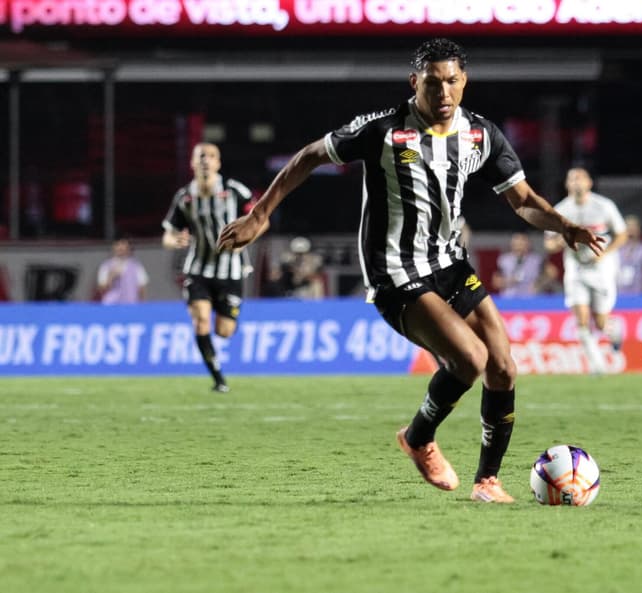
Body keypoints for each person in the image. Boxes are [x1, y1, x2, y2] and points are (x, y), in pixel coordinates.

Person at [216, 38, 604, 503]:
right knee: (470, 360)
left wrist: (564, 225)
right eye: (433, 82)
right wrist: (260, 215)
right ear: (414, 82)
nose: (443, 92)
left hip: (449, 263)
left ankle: (487, 482)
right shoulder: (381, 130)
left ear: (465, 82)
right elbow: (309, 156)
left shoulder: (482, 135)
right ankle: (418, 438)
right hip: (395, 272)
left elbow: (522, 202)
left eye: (452, 81)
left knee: (503, 366)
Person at [162, 142, 265, 393]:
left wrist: (247, 238)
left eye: (211, 156)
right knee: (200, 322)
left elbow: (262, 220)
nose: (206, 160)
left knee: (225, 331)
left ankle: (226, 321)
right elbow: (168, 234)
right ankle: (218, 377)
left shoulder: (233, 190)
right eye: (201, 156)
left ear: (218, 163)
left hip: (231, 271)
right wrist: (174, 241)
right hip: (198, 269)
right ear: (193, 163)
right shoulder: (185, 196)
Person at [544, 167, 628, 373]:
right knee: (581, 319)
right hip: (575, 267)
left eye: (580, 178)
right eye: (572, 179)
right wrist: (560, 242)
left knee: (600, 323)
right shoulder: (561, 210)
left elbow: (622, 234)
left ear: (589, 183)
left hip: (601, 268)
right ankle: (596, 366)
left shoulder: (604, 206)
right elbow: (549, 243)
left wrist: (605, 253)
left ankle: (614, 331)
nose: (576, 182)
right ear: (567, 185)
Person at [96, 237, 148, 304]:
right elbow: (101, 290)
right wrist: (111, 277)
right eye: (117, 244)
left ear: (128, 248)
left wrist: (142, 307)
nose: (120, 247)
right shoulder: (106, 266)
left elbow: (142, 288)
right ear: (113, 247)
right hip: (111, 306)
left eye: (123, 244)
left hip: (131, 306)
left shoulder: (136, 266)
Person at [492, 232, 545, 297]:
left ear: (528, 244)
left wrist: (539, 285)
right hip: (509, 299)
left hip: (531, 299)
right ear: (512, 245)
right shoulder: (504, 260)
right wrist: (510, 281)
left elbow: (552, 273)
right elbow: (495, 283)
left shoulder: (537, 260)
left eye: (522, 243)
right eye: (517, 244)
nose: (519, 247)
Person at [617, 215, 642, 295]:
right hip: (618, 296)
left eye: (633, 227)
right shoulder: (616, 249)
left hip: (638, 295)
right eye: (628, 227)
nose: (631, 231)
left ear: (639, 230)